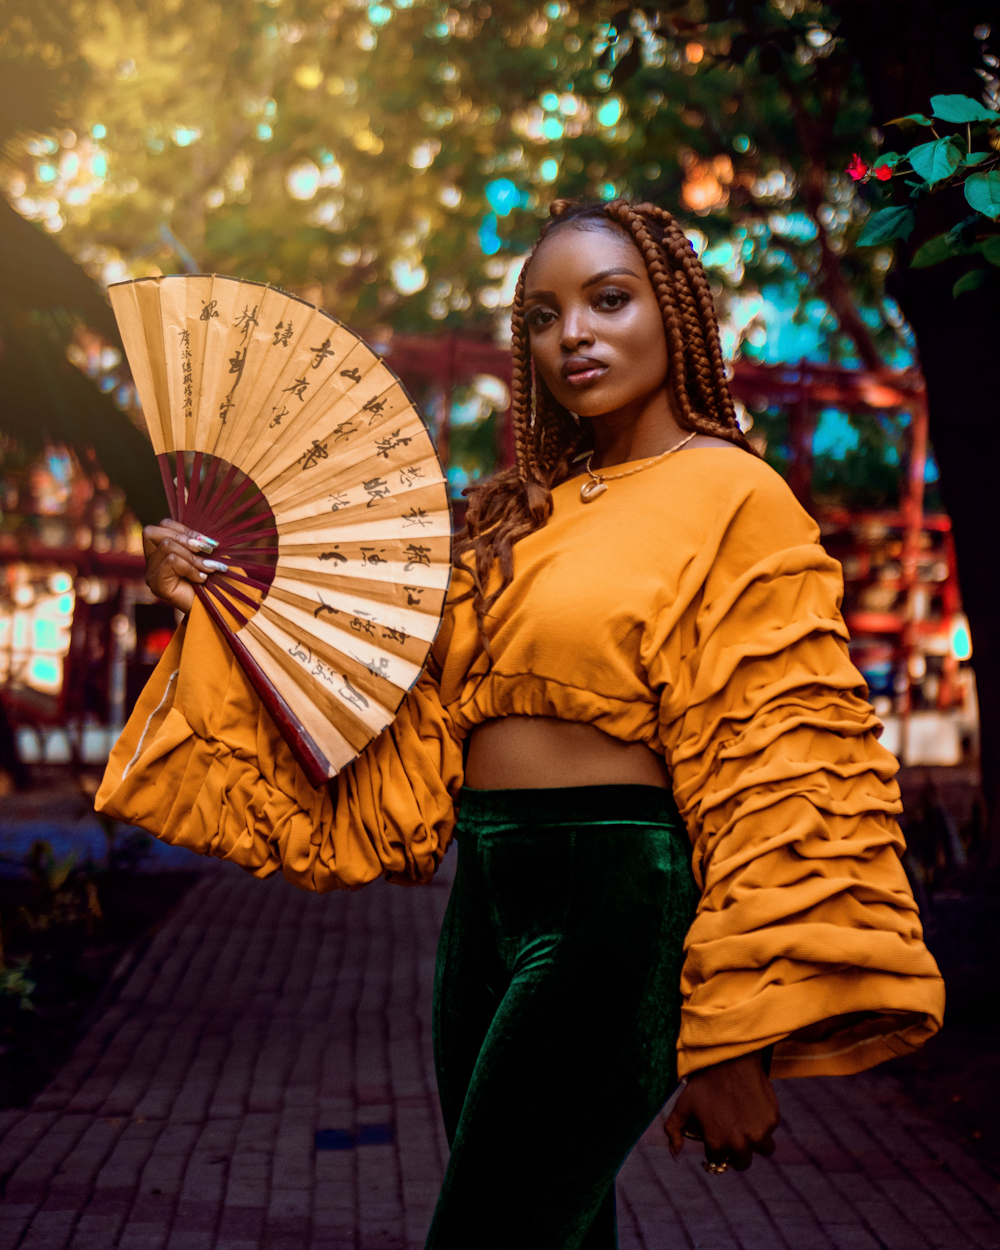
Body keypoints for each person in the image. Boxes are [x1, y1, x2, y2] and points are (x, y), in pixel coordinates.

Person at [97, 198, 944, 1250]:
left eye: (607, 299)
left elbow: (780, 760)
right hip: (484, 905)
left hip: (616, 903)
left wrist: (734, 1042)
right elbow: (393, 722)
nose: (571, 334)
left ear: (673, 313)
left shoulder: (737, 493)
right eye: (542, 314)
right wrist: (210, 599)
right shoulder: (520, 513)